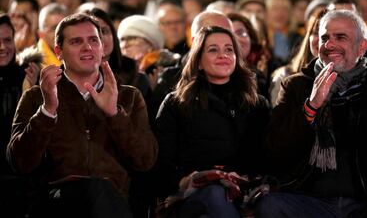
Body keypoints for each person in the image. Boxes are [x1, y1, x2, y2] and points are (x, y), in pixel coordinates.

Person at [257, 9, 367, 217]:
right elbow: (274, 152)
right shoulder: (296, 85)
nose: (329, 45)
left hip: (365, 202)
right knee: (270, 206)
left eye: (340, 37)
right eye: (324, 38)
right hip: (310, 199)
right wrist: (311, 108)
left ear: (362, 47)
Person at [7, 13, 158, 218]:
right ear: (58, 51)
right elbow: (20, 162)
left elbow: (145, 160)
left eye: (93, 40)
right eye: (76, 41)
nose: (87, 47)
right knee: (92, 190)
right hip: (56, 201)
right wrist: (48, 110)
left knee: (100, 191)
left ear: (102, 47)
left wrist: (114, 114)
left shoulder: (129, 96)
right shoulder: (37, 96)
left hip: (113, 202)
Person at [153, 25, 270, 217]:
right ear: (198, 61)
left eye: (229, 50)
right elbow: (161, 164)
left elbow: (264, 159)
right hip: (189, 196)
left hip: (243, 192)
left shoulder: (256, 105)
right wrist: (185, 181)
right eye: (213, 50)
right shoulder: (177, 103)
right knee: (216, 194)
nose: (223, 55)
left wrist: (243, 178)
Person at [0, 13, 40, 218]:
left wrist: (31, 94)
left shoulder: (28, 77)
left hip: (21, 182)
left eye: (7, 40)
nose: (2, 47)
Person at [269, 7, 325, 106]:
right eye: (316, 33)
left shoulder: (352, 79)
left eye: (326, 35)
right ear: (308, 37)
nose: (321, 40)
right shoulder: (284, 77)